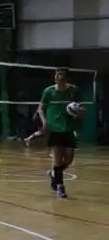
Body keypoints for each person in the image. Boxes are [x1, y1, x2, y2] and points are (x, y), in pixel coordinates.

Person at [38, 68, 82, 199]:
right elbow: (40, 109)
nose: (58, 76)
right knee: (57, 159)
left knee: (68, 160)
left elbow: (80, 107)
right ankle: (60, 187)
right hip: (55, 128)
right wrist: (44, 122)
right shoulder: (49, 91)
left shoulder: (74, 90)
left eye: (61, 74)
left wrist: (77, 112)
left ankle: (54, 174)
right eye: (56, 74)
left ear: (66, 77)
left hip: (69, 128)